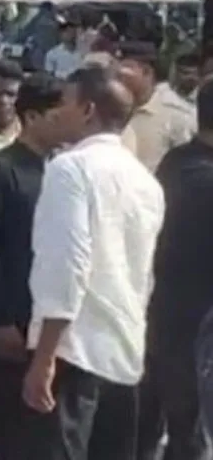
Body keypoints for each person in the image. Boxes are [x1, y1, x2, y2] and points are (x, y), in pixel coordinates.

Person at [22, 65, 165, 460]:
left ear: (87, 110)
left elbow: (66, 264)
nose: (55, 112)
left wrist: (45, 356)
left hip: (74, 350)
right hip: (124, 352)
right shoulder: (145, 181)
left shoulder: (69, 169)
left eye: (64, 103)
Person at [0, 72, 64, 460]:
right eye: (57, 114)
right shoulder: (1, 171)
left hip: (42, 314)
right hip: (6, 319)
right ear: (34, 117)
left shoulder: (58, 168)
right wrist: (0, 320)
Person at [138, 79, 213, 460]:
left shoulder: (176, 163)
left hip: (166, 317)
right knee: (190, 436)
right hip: (193, 330)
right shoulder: (202, 178)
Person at [118, 41, 196, 173]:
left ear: (147, 72)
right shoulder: (113, 107)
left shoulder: (176, 114)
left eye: (127, 68)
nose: (120, 75)